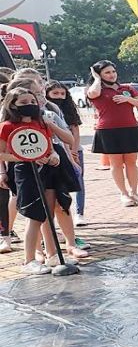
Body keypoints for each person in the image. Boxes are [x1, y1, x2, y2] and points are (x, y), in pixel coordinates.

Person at [0, 87, 76, 275]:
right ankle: (29, 259)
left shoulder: (42, 122)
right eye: (24, 103)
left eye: (32, 102)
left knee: (48, 214)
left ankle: (53, 254)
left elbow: (54, 144)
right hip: (25, 171)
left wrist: (53, 155)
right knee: (34, 215)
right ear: (13, 105)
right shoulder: (7, 126)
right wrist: (22, 158)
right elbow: (2, 153)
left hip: (47, 169)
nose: (30, 106)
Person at [87, 60, 138, 207]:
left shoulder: (127, 88)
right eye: (107, 72)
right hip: (108, 131)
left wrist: (128, 99)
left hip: (130, 128)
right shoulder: (97, 89)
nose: (111, 75)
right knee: (116, 164)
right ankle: (124, 193)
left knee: (131, 162)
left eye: (113, 71)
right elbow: (93, 93)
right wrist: (96, 79)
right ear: (99, 74)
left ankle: (134, 191)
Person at [46, 81, 87, 230]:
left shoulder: (69, 109)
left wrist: (74, 151)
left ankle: (79, 213)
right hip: (59, 151)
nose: (59, 97)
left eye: (62, 93)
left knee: (78, 181)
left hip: (75, 149)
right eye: (55, 93)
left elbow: (75, 131)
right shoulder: (48, 110)